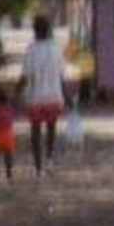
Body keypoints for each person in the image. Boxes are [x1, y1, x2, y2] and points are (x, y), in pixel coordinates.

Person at [20, 14, 69, 174]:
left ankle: (38, 166)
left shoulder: (31, 50)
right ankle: (49, 159)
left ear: (35, 30)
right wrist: (67, 95)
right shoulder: (56, 49)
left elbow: (25, 76)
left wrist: (15, 94)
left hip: (35, 97)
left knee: (35, 131)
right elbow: (61, 75)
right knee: (51, 128)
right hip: (54, 96)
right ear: (49, 30)